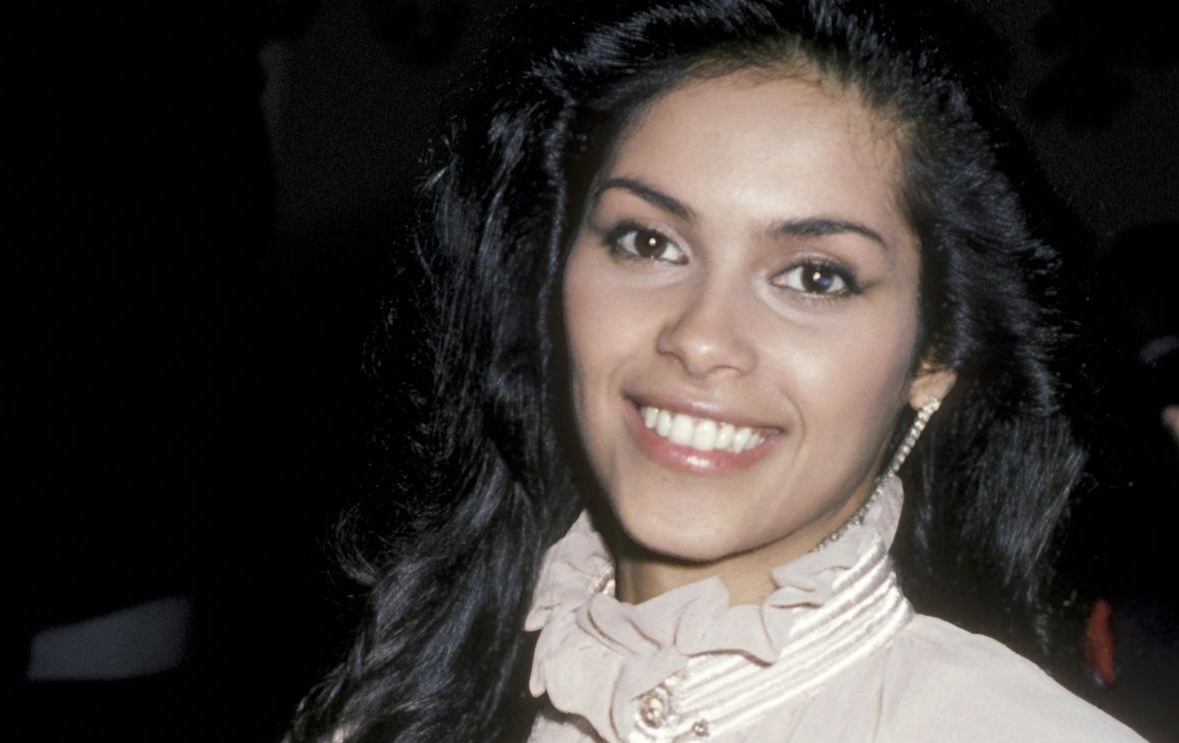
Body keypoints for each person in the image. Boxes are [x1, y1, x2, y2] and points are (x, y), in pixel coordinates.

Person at [290, 1, 1148, 741]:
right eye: (648, 242)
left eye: (815, 276)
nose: (701, 338)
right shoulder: (402, 689)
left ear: (935, 358)